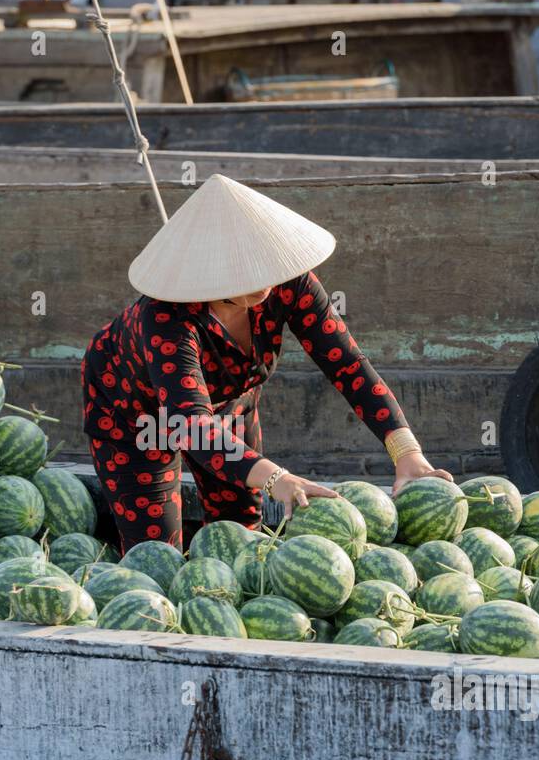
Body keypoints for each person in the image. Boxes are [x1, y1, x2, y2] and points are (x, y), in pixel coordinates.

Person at [81, 175, 451, 554]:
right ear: (209, 273)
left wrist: (406, 453)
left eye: (263, 260)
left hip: (228, 406)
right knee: (156, 552)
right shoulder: (164, 318)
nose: (263, 279)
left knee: (243, 535)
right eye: (244, 269)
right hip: (137, 415)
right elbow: (189, 424)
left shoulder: (288, 282)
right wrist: (277, 478)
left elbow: (348, 367)